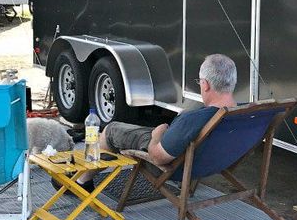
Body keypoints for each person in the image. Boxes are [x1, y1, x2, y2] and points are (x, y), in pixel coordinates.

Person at [78, 53, 237, 185]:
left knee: (110, 130)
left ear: (205, 84)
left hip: (177, 167)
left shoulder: (193, 119)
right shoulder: (247, 113)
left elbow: (158, 157)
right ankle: (83, 174)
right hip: (212, 163)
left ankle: (83, 180)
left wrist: (157, 135)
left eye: (199, 83)